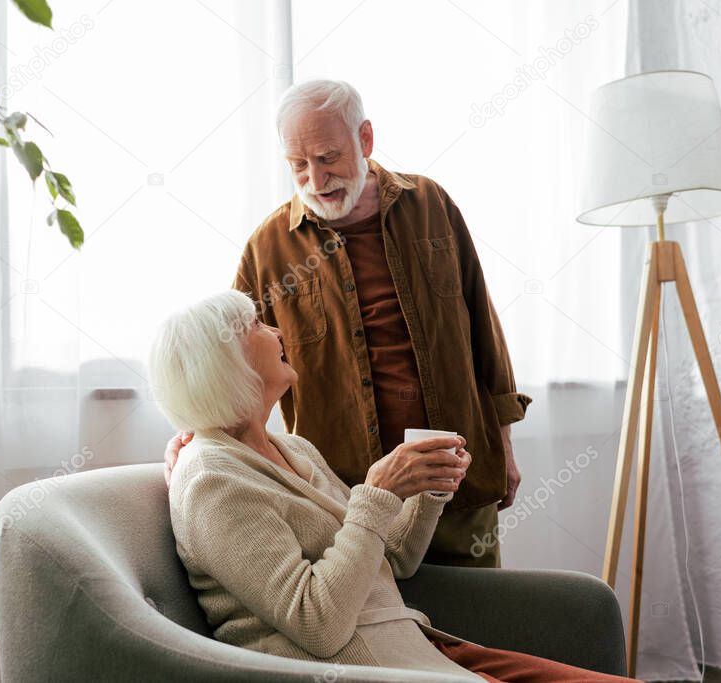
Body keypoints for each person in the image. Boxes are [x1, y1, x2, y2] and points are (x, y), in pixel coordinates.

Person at [150, 290, 637, 682]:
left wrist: (425, 491)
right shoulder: (212, 481)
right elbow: (317, 624)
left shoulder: (293, 450)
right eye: (257, 325)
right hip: (370, 670)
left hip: (421, 646)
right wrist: (378, 492)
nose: (276, 330)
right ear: (222, 362)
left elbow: (393, 561)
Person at [166, 79, 531, 567]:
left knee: (479, 631)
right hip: (347, 501)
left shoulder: (431, 205)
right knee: (384, 633)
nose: (316, 180)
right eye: (299, 165)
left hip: (454, 479)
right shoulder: (269, 246)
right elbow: (230, 354)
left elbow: (484, 329)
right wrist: (194, 432)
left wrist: (504, 446)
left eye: (328, 157)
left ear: (365, 140)